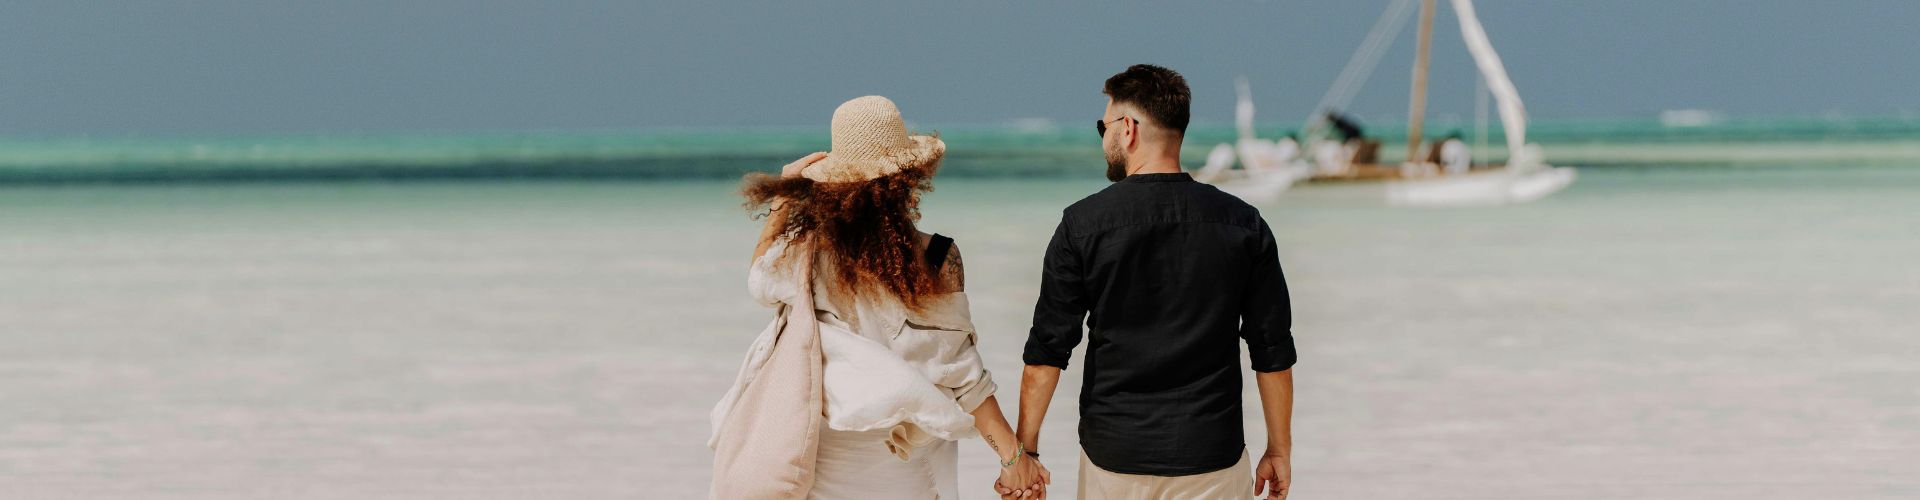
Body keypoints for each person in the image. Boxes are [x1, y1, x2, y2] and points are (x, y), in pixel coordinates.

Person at [715, 96, 1049, 499]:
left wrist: (784, 197)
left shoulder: (806, 253)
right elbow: (962, 374)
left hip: (822, 457)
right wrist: (1014, 460)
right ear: (909, 177)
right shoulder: (937, 257)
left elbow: (759, 279)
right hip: (901, 461)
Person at [1006, 64, 1299, 500]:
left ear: (1127, 129)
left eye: (1102, 126)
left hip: (1116, 458)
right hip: (1212, 457)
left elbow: (1047, 352)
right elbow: (1271, 350)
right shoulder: (1243, 224)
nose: (1103, 138)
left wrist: (1024, 452)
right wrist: (1279, 449)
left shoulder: (1082, 225)